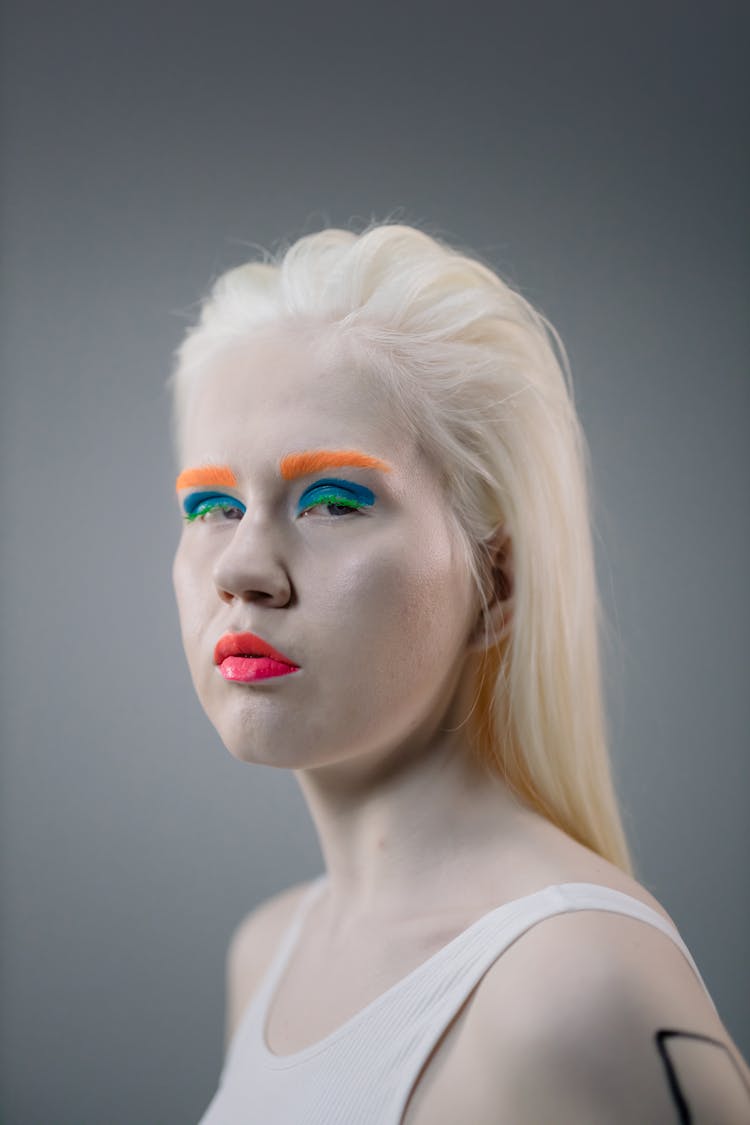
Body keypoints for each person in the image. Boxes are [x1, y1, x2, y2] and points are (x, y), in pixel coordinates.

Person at [170, 222, 749, 1123]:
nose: (241, 567)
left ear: (499, 580)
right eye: (211, 504)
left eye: (332, 499)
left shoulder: (574, 990)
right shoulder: (267, 955)